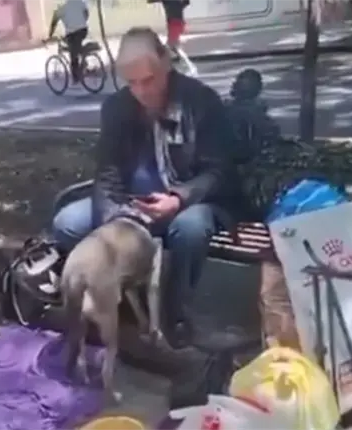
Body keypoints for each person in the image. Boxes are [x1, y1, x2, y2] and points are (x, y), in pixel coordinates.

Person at [52, 26, 235, 347]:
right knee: (66, 223)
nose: (141, 92)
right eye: (131, 83)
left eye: (148, 80)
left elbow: (219, 171)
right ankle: (117, 299)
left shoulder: (201, 101)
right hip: (131, 205)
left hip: (189, 201)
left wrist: (178, 199)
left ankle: (173, 314)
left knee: (190, 229)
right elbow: (107, 173)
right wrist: (114, 222)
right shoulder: (116, 107)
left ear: (165, 63)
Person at [47, 0, 89, 84]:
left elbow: (54, 21)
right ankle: (82, 62)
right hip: (83, 30)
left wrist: (50, 35)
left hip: (72, 33)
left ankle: (76, 78)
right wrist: (82, 22)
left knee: (73, 55)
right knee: (75, 46)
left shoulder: (62, 8)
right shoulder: (80, 2)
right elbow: (86, 13)